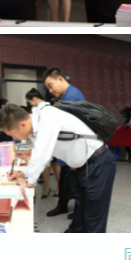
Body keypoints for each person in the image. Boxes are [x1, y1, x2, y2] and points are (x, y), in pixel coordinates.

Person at [0, 103, 117, 233]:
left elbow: (42, 155)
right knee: (80, 212)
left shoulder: (47, 116)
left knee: (93, 217)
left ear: (22, 124)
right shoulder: (34, 132)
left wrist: (29, 182)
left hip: (98, 162)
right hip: (80, 167)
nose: (14, 138)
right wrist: (23, 173)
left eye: (13, 135)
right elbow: (44, 156)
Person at [43, 68, 86, 219]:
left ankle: (80, 214)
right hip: (66, 151)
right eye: (48, 88)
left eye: (51, 85)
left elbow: (76, 129)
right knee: (65, 181)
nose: (50, 90)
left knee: (76, 184)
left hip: (72, 150)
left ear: (60, 79)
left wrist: (74, 155)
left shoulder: (72, 97)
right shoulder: (66, 96)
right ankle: (63, 206)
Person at [25, 88, 56, 198]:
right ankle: (47, 188)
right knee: (45, 166)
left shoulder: (46, 109)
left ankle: (57, 189)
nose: (29, 103)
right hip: (40, 141)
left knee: (54, 167)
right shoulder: (36, 109)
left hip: (47, 141)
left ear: (34, 98)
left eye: (29, 101)